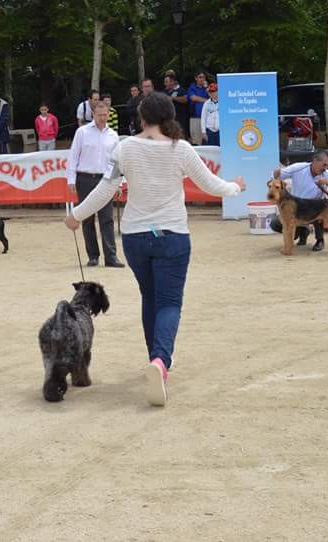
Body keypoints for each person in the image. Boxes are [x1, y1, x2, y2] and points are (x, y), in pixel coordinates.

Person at [64, 92, 245, 406]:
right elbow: (211, 184)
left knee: (150, 297)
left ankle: (155, 359)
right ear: (169, 116)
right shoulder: (181, 149)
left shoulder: (125, 147)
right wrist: (237, 187)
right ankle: (160, 361)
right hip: (172, 235)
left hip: (135, 237)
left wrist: (76, 215)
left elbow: (106, 188)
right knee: (170, 303)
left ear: (141, 117)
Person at [67, 103, 123, 268]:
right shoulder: (82, 132)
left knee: (107, 218)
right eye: (99, 115)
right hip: (84, 178)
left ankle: (111, 257)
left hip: (105, 180)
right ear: (93, 114)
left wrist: (118, 183)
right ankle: (93, 256)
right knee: (87, 218)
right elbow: (73, 156)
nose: (102, 118)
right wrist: (71, 179)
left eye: (105, 115)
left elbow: (116, 161)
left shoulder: (113, 135)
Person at [270, 151, 328, 252]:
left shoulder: (327, 174)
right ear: (315, 161)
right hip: (296, 205)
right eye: (324, 164)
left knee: (324, 217)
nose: (326, 167)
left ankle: (320, 240)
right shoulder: (299, 167)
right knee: (276, 223)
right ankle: (302, 233)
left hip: (318, 207)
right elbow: (277, 177)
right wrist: (276, 173)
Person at [163, 70, 190, 139]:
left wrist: (173, 98)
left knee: (181, 139)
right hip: (169, 122)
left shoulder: (181, 90)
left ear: (172, 81)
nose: (165, 84)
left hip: (181, 122)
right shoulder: (165, 92)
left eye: (166, 82)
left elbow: (186, 99)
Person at [187, 71, 210, 138]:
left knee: (207, 140)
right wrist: (207, 101)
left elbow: (214, 98)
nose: (202, 79)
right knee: (197, 140)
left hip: (208, 119)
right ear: (195, 78)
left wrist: (207, 88)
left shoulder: (208, 88)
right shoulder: (192, 87)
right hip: (196, 118)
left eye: (203, 77)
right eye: (200, 77)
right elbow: (193, 98)